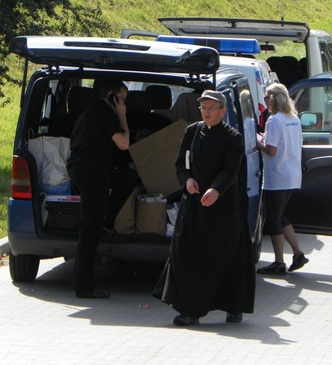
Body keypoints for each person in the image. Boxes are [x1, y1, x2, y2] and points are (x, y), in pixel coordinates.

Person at [153, 89, 256, 326]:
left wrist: (216, 190)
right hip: (195, 204)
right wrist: (186, 179)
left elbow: (231, 170)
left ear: (223, 110)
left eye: (211, 108)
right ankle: (190, 309)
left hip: (223, 208)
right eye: (203, 108)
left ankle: (234, 306)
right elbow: (182, 163)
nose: (206, 112)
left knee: (224, 257)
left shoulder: (233, 137)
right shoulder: (192, 131)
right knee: (187, 253)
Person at [67, 80, 139, 299]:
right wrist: (123, 116)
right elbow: (124, 143)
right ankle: (84, 287)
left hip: (90, 170)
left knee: (128, 178)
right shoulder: (106, 113)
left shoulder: (92, 112)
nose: (124, 103)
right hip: (93, 173)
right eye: (123, 99)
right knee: (89, 229)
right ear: (111, 96)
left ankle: (108, 225)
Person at [256, 83, 308, 275]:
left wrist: (255, 141)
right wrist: (266, 138)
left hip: (277, 175)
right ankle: (298, 253)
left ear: (274, 98)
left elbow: (271, 150)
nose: (265, 102)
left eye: (267, 98)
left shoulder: (274, 120)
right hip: (292, 174)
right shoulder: (293, 118)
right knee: (280, 215)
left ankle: (279, 262)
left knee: (274, 218)